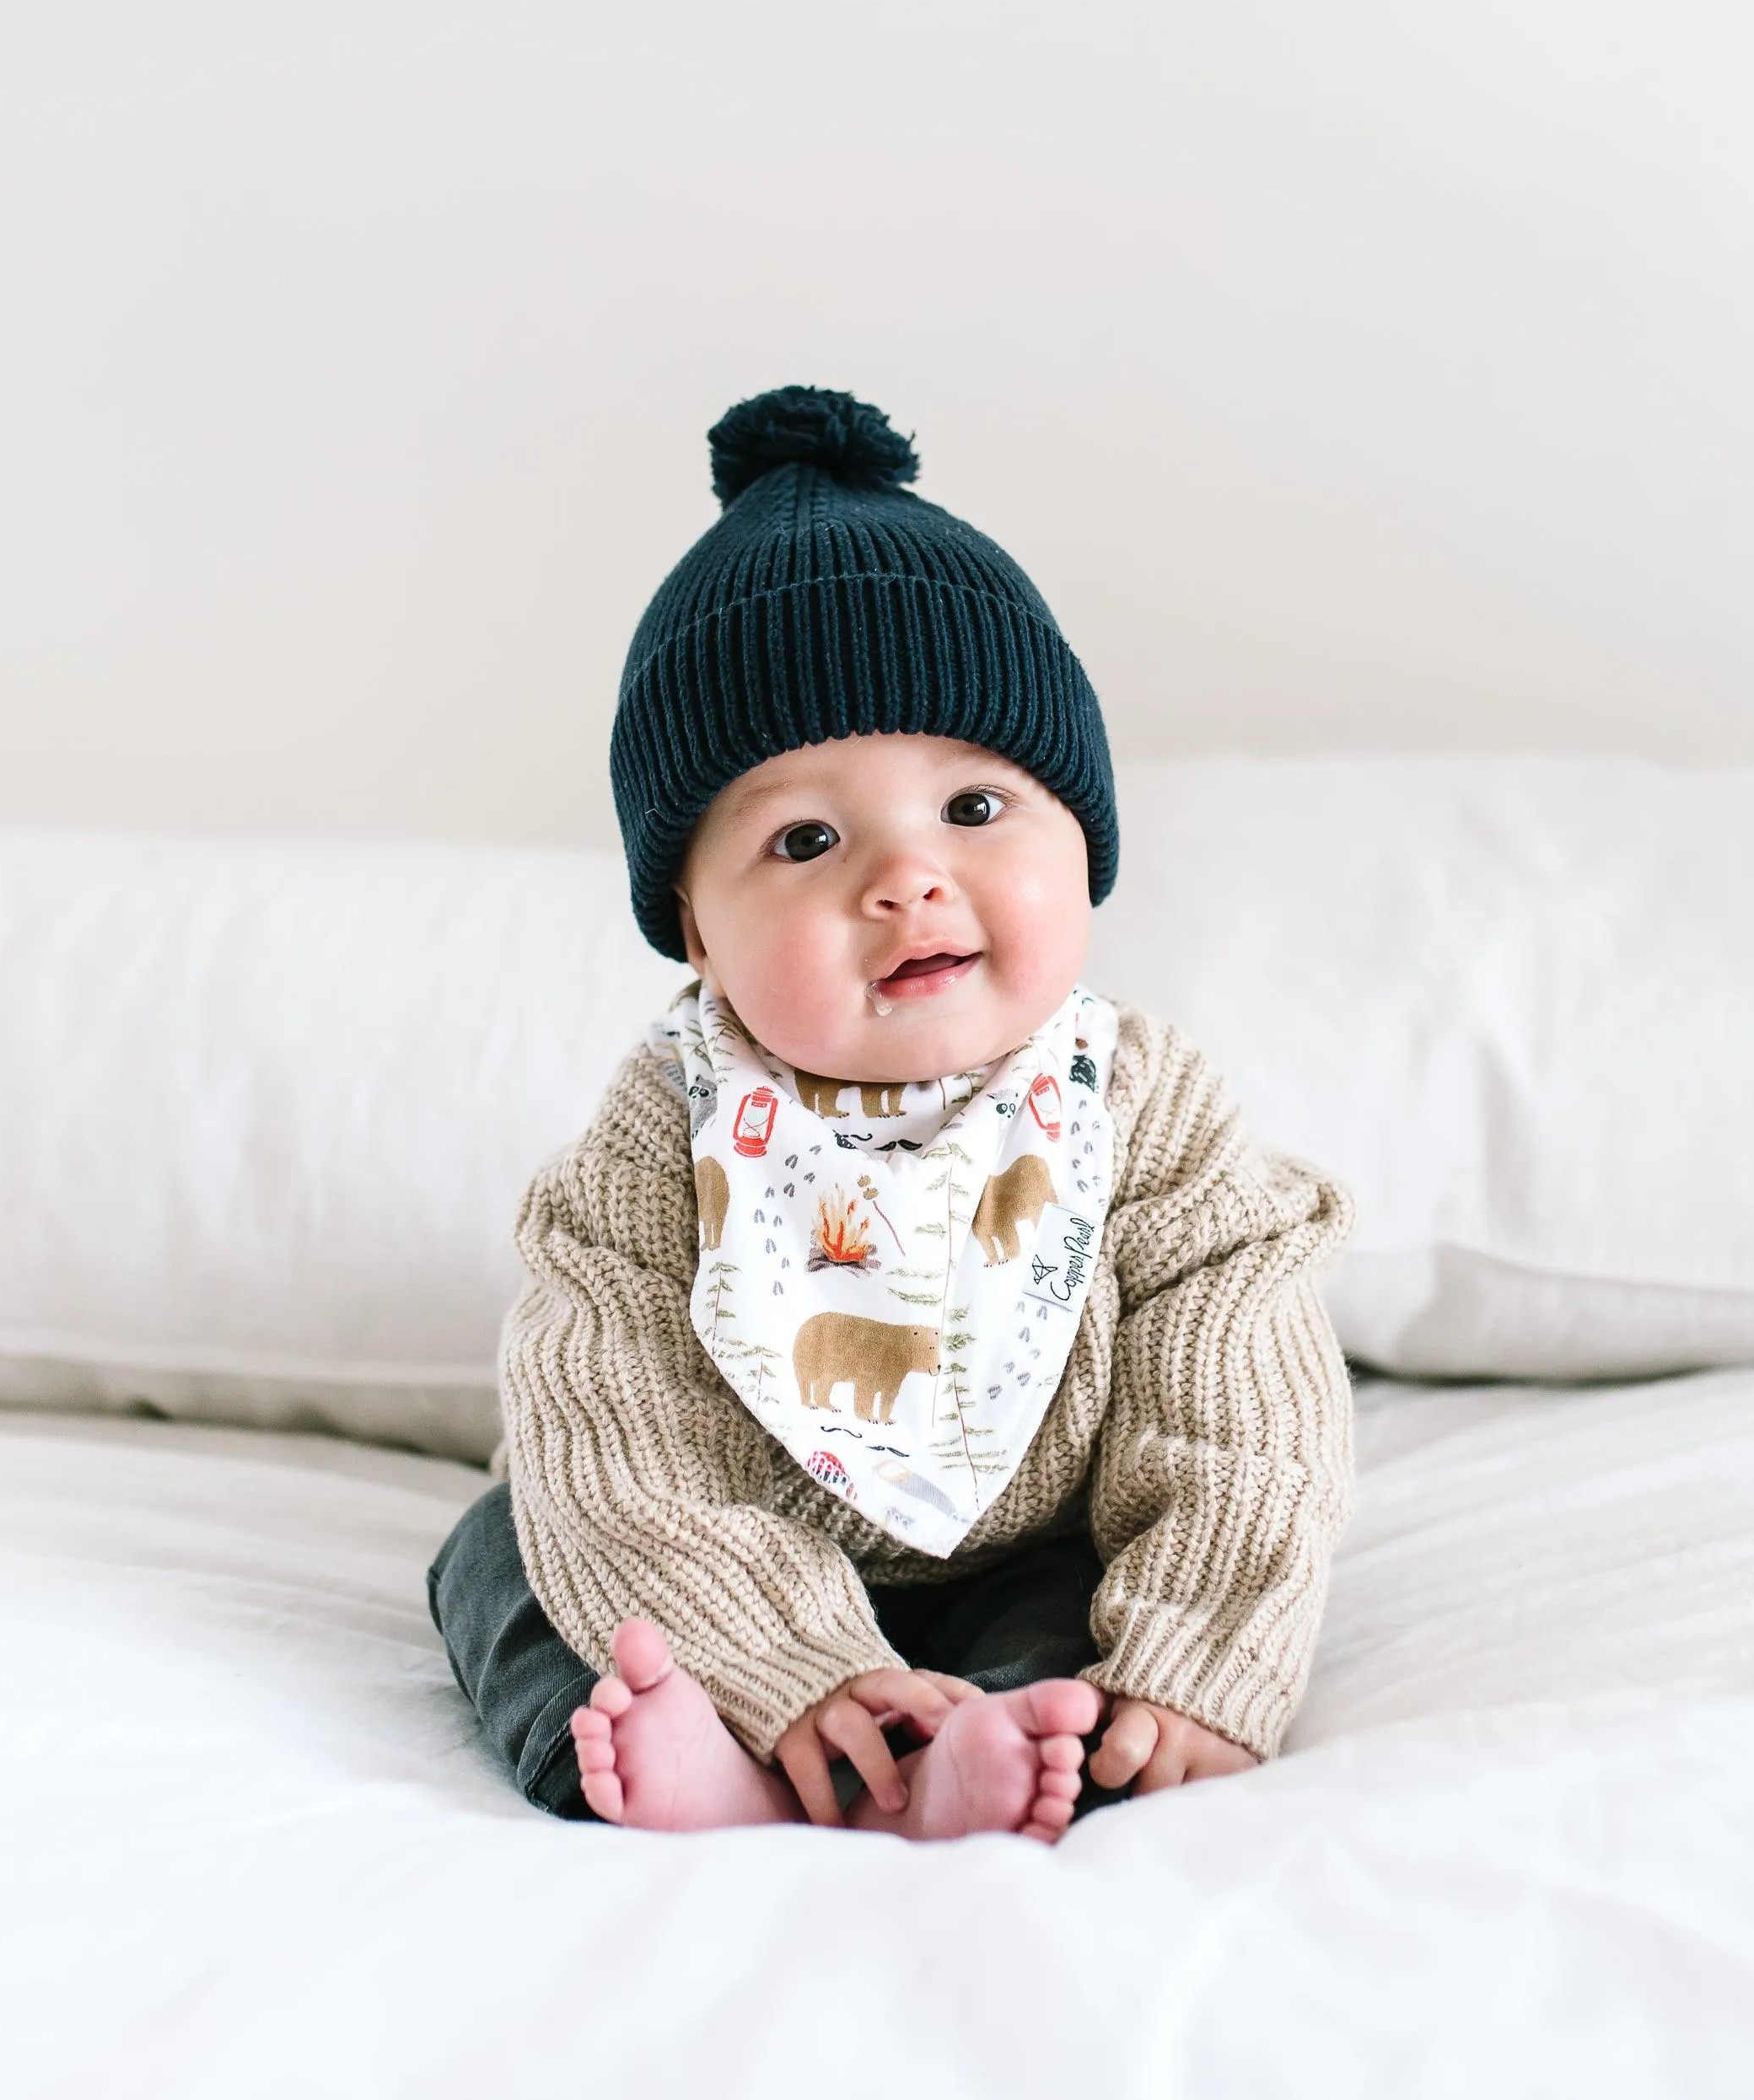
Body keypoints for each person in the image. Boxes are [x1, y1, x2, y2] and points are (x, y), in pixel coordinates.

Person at [428, 386, 1353, 1841]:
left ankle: (1002, 1737)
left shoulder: (1144, 1111)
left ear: (1084, 835)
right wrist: (784, 1662)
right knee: (509, 1551)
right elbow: (611, 1431)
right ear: (695, 927)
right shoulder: (656, 1146)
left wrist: (1196, 1660)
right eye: (806, 838)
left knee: (1076, 1597)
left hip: (1026, 1537)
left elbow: (1241, 1408)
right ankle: (718, 1757)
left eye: (977, 810)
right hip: (733, 1563)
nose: (908, 879)